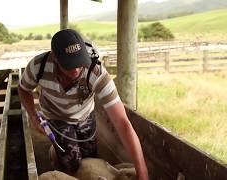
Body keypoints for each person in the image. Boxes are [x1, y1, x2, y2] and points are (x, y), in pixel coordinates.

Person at [18, 29, 149, 180]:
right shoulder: (37, 66)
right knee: (71, 163)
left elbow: (122, 123)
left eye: (79, 62)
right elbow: (23, 89)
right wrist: (33, 115)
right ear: (55, 57)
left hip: (85, 116)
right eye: (69, 64)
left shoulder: (96, 73)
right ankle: (60, 160)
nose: (76, 69)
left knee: (89, 159)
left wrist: (142, 171)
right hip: (56, 116)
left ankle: (58, 152)